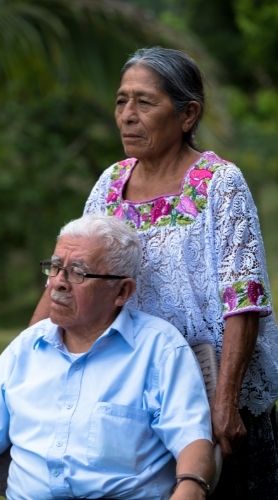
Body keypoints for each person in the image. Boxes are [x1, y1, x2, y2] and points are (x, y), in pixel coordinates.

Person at [30, 47, 278, 499]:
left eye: (144, 103)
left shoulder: (219, 183)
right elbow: (70, 269)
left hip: (212, 384)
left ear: (188, 115)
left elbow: (243, 295)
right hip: (133, 388)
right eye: (121, 101)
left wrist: (226, 401)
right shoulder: (111, 184)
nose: (127, 115)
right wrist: (25, 361)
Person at [0, 215, 214, 500]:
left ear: (122, 291)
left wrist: (191, 487)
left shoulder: (160, 349)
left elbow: (192, 441)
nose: (58, 284)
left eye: (78, 272)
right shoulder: (25, 349)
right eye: (55, 267)